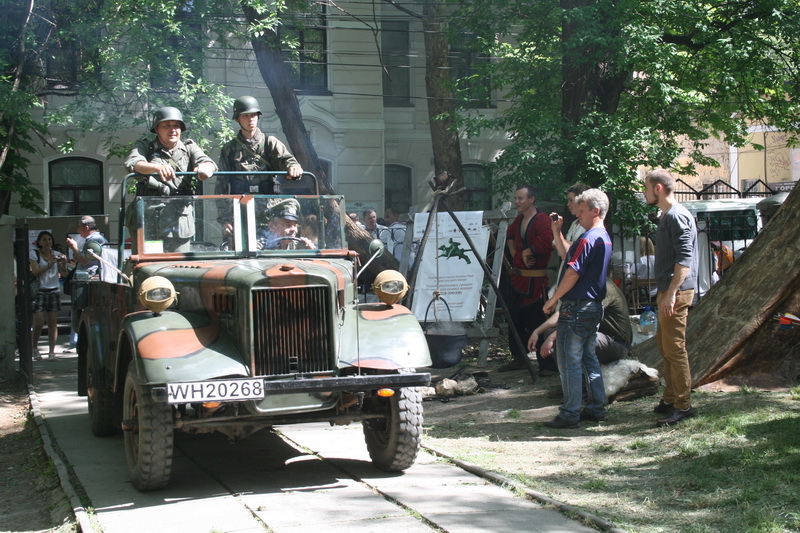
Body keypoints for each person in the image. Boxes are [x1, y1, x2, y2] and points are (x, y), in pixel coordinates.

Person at [541, 188, 612, 429]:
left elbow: (572, 272)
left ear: (596, 211)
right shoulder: (602, 237)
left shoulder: (588, 238)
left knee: (569, 361)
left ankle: (570, 413)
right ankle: (595, 408)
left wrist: (553, 300)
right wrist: (557, 231)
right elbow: (566, 255)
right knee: (588, 359)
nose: (577, 216)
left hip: (578, 307)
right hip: (591, 307)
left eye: (581, 211)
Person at [643, 168, 699, 427]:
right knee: (666, 348)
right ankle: (669, 398)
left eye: (646, 187)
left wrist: (672, 295)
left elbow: (685, 258)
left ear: (658, 188)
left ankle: (683, 405)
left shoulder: (676, 215)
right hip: (668, 290)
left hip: (676, 291)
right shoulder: (668, 214)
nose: (644, 192)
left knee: (675, 350)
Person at [124, 106, 217, 252]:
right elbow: (133, 163)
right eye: (166, 126)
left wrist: (205, 168)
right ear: (157, 129)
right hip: (149, 219)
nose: (172, 130)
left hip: (179, 220)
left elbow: (208, 162)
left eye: (176, 126)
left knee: (178, 266)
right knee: (151, 265)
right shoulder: (146, 145)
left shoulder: (189, 148)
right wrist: (156, 168)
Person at [528, 278, 632, 398]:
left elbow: (583, 321)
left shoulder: (603, 287)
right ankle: (569, 386)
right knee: (552, 332)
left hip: (616, 343)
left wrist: (552, 337)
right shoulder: (584, 285)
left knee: (574, 337)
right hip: (595, 335)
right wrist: (537, 331)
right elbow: (564, 313)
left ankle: (583, 388)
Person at [216, 96, 303, 236]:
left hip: (270, 210)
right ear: (237, 119)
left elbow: (288, 160)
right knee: (239, 251)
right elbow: (221, 187)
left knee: (272, 250)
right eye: (245, 116)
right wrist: (225, 220)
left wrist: (294, 167)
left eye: (253, 115)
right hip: (241, 210)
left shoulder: (270, 143)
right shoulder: (229, 149)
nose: (250, 119)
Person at [501, 185, 555, 373]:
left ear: (531, 199)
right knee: (514, 319)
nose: (517, 202)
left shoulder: (541, 220)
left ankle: (546, 363)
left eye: (520, 198)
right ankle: (519, 358)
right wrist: (517, 253)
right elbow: (509, 236)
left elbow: (548, 241)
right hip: (518, 279)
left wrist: (529, 251)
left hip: (535, 282)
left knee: (537, 321)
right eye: (516, 198)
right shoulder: (519, 220)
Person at [29, 231, 68, 360]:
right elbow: (35, 272)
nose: (47, 242)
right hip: (39, 291)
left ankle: (52, 352)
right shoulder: (34, 254)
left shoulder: (56, 255)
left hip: (54, 291)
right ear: (39, 242)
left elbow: (65, 274)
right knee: (39, 323)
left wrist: (63, 263)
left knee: (53, 323)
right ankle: (34, 348)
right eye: (44, 240)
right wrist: (50, 265)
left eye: (50, 239)